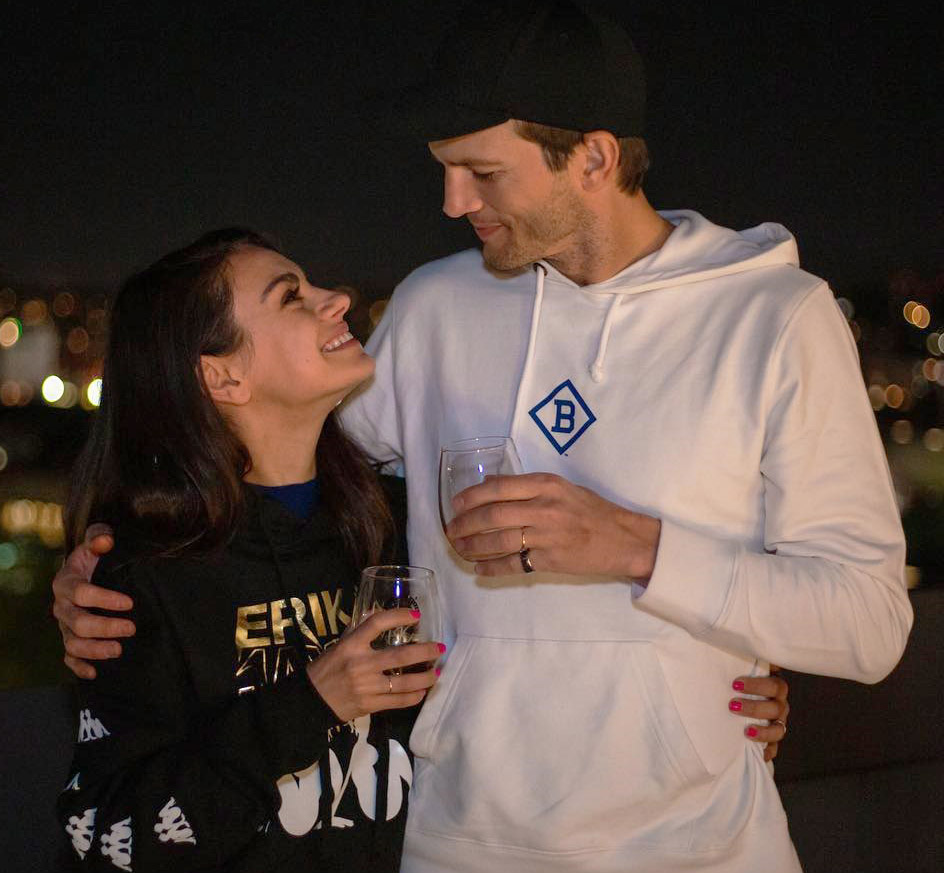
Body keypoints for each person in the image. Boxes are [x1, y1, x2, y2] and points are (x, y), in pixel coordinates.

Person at [52, 2, 909, 871]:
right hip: (454, 844)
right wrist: (104, 569)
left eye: (482, 172)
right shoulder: (435, 305)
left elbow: (869, 621)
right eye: (445, 169)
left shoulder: (775, 317)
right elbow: (272, 471)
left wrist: (639, 549)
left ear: (594, 158)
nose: (453, 201)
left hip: (704, 846)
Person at [55, 228, 443, 872]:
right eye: (291, 296)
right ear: (222, 375)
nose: (337, 299)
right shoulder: (144, 574)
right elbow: (105, 832)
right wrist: (311, 703)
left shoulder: (390, 524)